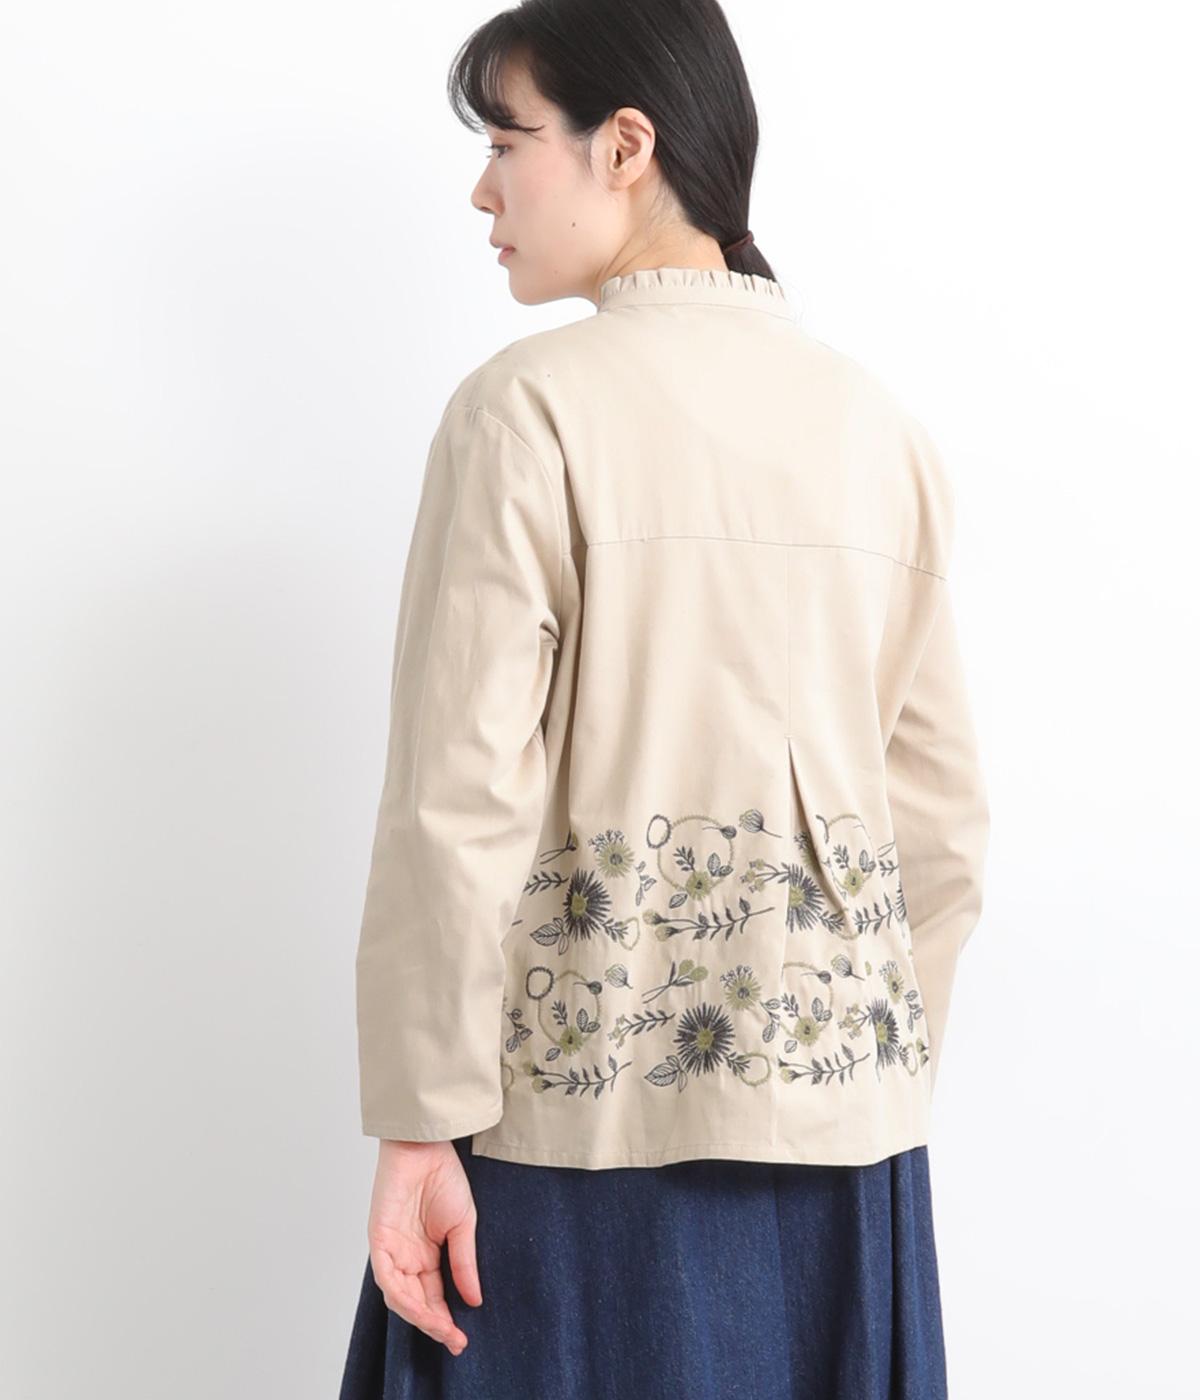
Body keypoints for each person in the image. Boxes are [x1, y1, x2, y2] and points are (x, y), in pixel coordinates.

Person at [339, 1, 990, 1396]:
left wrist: (418, 1123)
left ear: (624, 145)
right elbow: (941, 824)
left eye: (507, 142)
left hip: (568, 1157)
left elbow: (457, 805)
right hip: (850, 1152)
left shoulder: (526, 413)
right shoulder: (879, 429)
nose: (483, 191)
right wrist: (859, 1078)